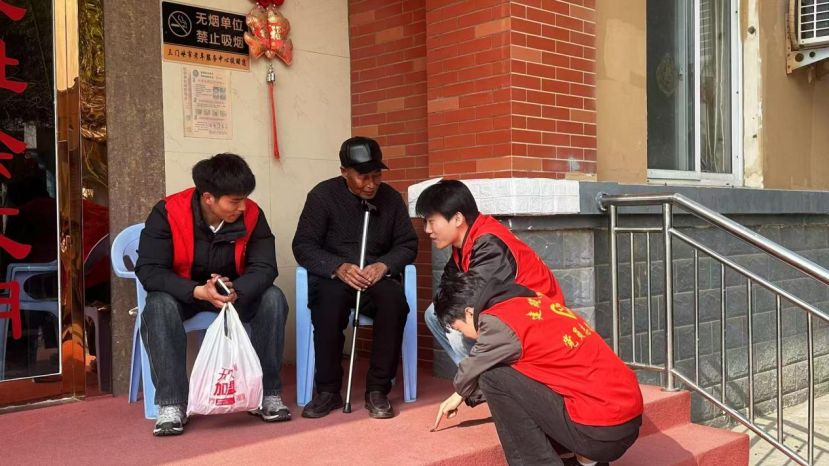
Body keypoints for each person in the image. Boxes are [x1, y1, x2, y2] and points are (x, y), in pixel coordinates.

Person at [136, 153, 290, 436]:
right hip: (186, 294)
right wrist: (198, 291)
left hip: (233, 295)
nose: (243, 207)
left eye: (245, 199)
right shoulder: (168, 212)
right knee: (158, 304)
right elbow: (149, 271)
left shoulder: (252, 214)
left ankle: (268, 394)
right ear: (208, 197)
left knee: (273, 297)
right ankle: (172, 403)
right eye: (235, 201)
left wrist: (235, 291)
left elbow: (265, 267)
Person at [433, 272, 643, 466]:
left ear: (469, 313)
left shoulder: (497, 323)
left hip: (600, 431)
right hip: (625, 420)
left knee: (492, 377)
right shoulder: (529, 300)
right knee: (519, 370)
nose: (466, 336)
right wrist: (461, 393)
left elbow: (472, 369)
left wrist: (460, 392)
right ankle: (588, 463)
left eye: (460, 329)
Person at [292, 136, 417, 419]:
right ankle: (328, 390)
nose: (371, 184)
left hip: (376, 278)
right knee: (329, 303)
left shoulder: (391, 199)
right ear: (344, 172)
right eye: (363, 177)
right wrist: (337, 266)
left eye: (377, 176)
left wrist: (385, 265)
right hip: (335, 278)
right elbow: (304, 246)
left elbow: (408, 244)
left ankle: (378, 389)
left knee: (394, 301)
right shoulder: (322, 196)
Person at [416, 180, 565, 401]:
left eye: (431, 222)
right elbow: (447, 291)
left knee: (459, 318)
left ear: (457, 219)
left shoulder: (489, 244)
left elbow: (475, 303)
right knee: (436, 314)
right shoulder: (465, 242)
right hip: (518, 318)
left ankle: (490, 387)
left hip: (540, 324)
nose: (427, 230)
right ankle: (484, 385)